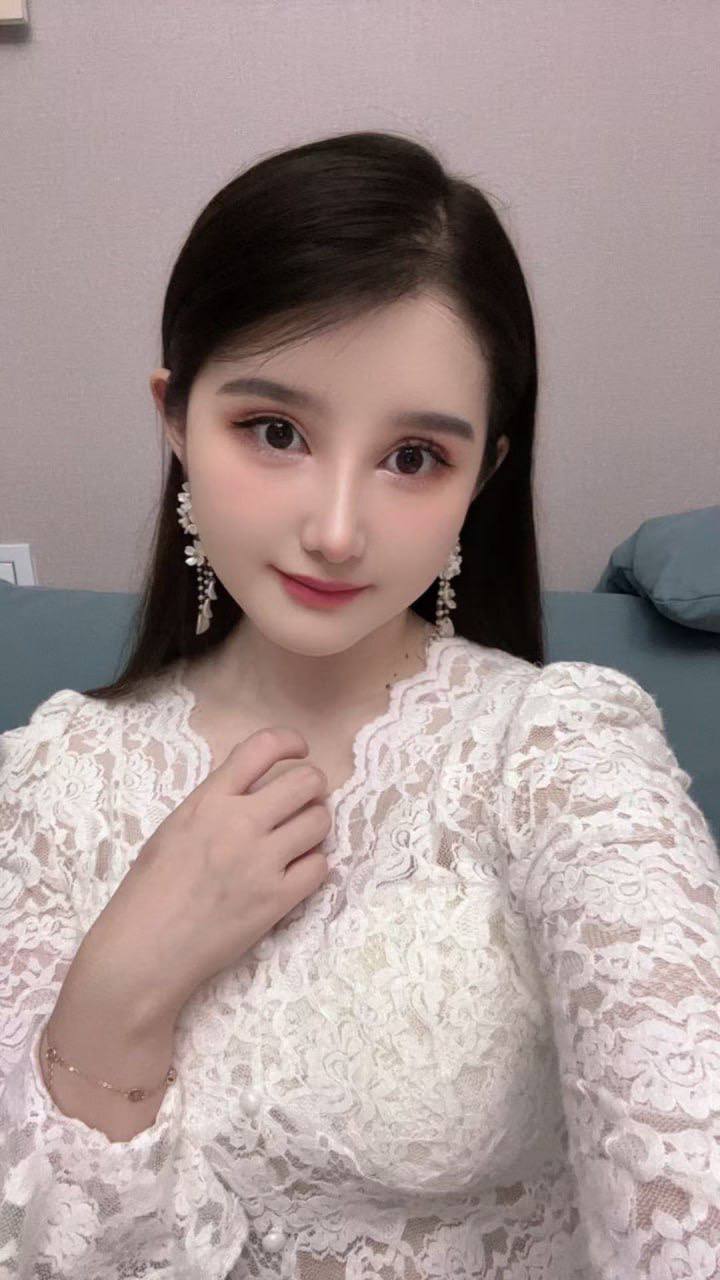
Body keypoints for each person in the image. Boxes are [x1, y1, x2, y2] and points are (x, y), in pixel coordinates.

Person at [1, 131, 719, 1280]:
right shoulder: (45, 784)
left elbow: (686, 1172)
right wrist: (120, 987)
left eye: (414, 456)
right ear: (175, 417)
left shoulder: (558, 752)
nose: (336, 529)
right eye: (275, 431)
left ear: (483, 475)